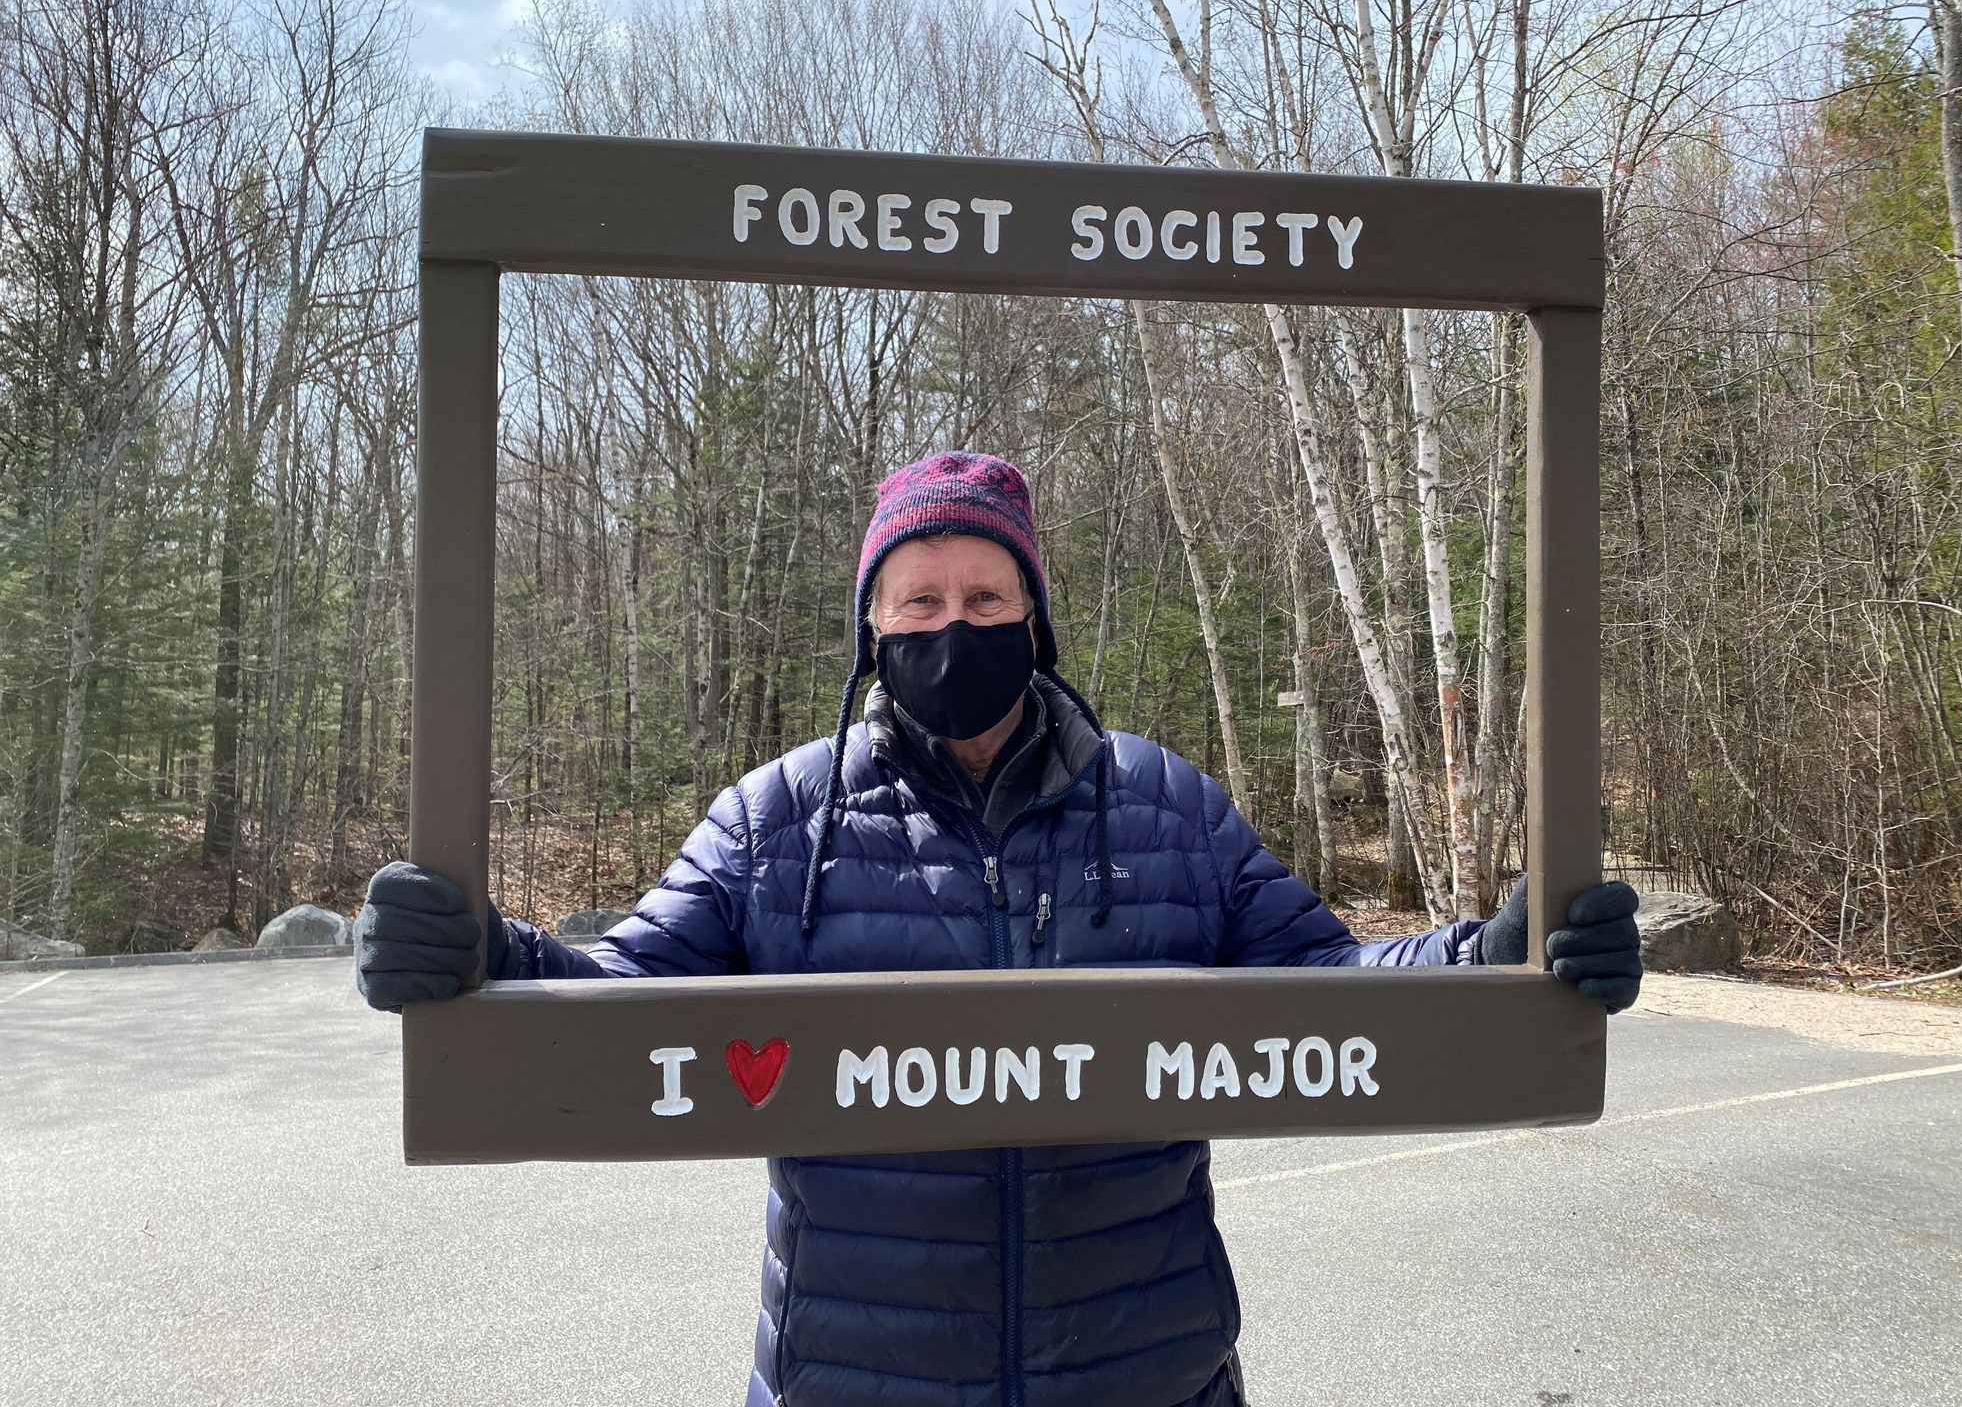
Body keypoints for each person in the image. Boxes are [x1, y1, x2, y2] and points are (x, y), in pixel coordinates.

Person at [356, 450, 1643, 1407]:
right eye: (916, 602)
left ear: (1033, 615)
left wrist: (1493, 960)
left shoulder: (1164, 806)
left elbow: (1324, 977)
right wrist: (479, 958)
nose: (950, 625)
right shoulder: (775, 822)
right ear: (872, 623)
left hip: (1143, 1370)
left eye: (983, 595)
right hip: (855, 1377)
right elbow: (616, 1001)